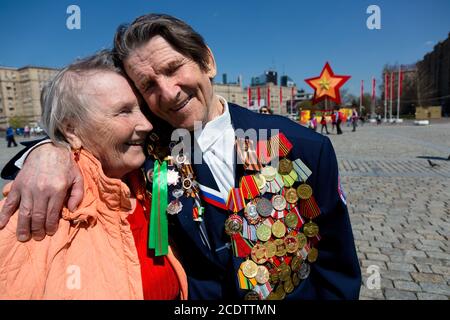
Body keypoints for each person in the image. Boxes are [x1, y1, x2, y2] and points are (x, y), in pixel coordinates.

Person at [0, 14, 360, 300]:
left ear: (207, 61)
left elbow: (337, 267)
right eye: (148, 86)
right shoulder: (147, 152)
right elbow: (91, 146)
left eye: (173, 69)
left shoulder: (301, 146)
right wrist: (49, 151)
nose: (169, 93)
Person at [0, 50, 187, 300]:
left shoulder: (151, 176)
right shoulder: (37, 209)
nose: (146, 124)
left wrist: (45, 149)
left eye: (141, 109)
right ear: (71, 130)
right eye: (123, 111)